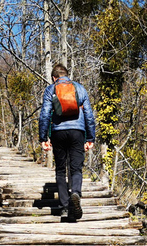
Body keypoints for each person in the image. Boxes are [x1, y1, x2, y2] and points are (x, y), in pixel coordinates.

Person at [39, 64, 97, 221]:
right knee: (76, 168)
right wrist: (90, 138)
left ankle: (64, 207)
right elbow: (89, 115)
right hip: (77, 132)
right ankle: (76, 193)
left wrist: (43, 138)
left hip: (58, 132)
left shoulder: (51, 89)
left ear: (54, 77)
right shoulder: (79, 88)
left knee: (60, 170)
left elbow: (44, 115)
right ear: (67, 75)